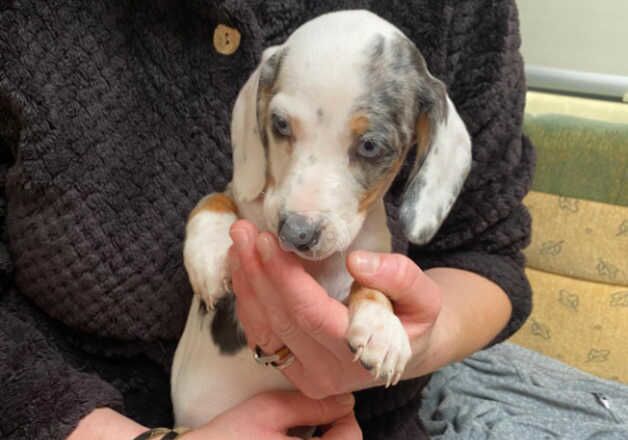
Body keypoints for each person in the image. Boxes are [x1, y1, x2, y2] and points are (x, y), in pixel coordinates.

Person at [0, 0, 534, 439]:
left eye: (368, 147)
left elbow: (486, 251)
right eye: (284, 126)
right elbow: (234, 198)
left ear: (421, 140)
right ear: (261, 111)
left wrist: (411, 335)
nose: (298, 220)